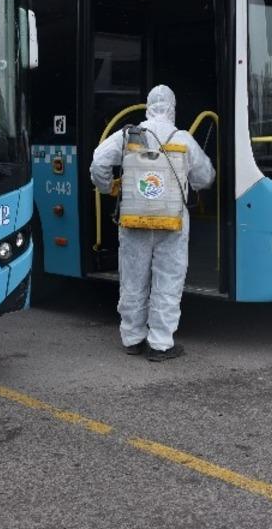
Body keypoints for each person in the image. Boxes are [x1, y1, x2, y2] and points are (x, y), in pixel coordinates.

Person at [90, 85, 214, 361]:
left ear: (147, 106)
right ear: (172, 108)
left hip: (133, 220)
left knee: (133, 279)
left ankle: (132, 338)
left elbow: (99, 160)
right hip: (172, 222)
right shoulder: (183, 138)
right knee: (168, 281)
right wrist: (190, 181)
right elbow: (206, 177)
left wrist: (107, 186)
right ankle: (160, 344)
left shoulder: (129, 134)